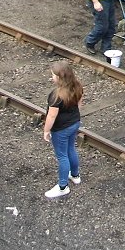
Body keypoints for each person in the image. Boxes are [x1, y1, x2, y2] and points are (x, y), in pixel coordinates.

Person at [43, 60, 84, 199]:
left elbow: (51, 116)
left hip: (61, 129)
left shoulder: (56, 96)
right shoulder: (78, 86)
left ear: (60, 78)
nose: (52, 77)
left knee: (62, 156)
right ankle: (75, 175)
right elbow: (79, 105)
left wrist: (46, 131)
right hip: (74, 123)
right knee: (71, 148)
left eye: (53, 75)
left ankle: (62, 187)